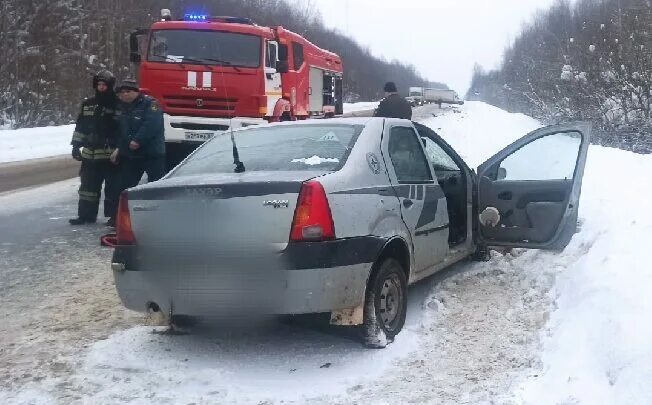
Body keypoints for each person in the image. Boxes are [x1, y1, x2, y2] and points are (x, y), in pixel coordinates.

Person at [69, 70, 121, 227]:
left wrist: (118, 148)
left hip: (109, 154)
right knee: (87, 188)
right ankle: (85, 215)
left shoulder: (117, 104)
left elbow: (121, 128)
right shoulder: (88, 104)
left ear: (110, 86)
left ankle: (113, 217)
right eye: (99, 84)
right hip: (89, 154)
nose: (101, 87)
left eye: (104, 85)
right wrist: (76, 145)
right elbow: (81, 126)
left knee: (112, 188)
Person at [113, 79, 166, 194]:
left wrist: (137, 140)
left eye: (128, 91)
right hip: (132, 156)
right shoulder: (122, 107)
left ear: (136, 91)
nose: (125, 94)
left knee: (156, 187)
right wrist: (119, 148)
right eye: (122, 92)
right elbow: (121, 130)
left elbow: (151, 124)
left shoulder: (150, 104)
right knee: (126, 188)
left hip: (152, 154)